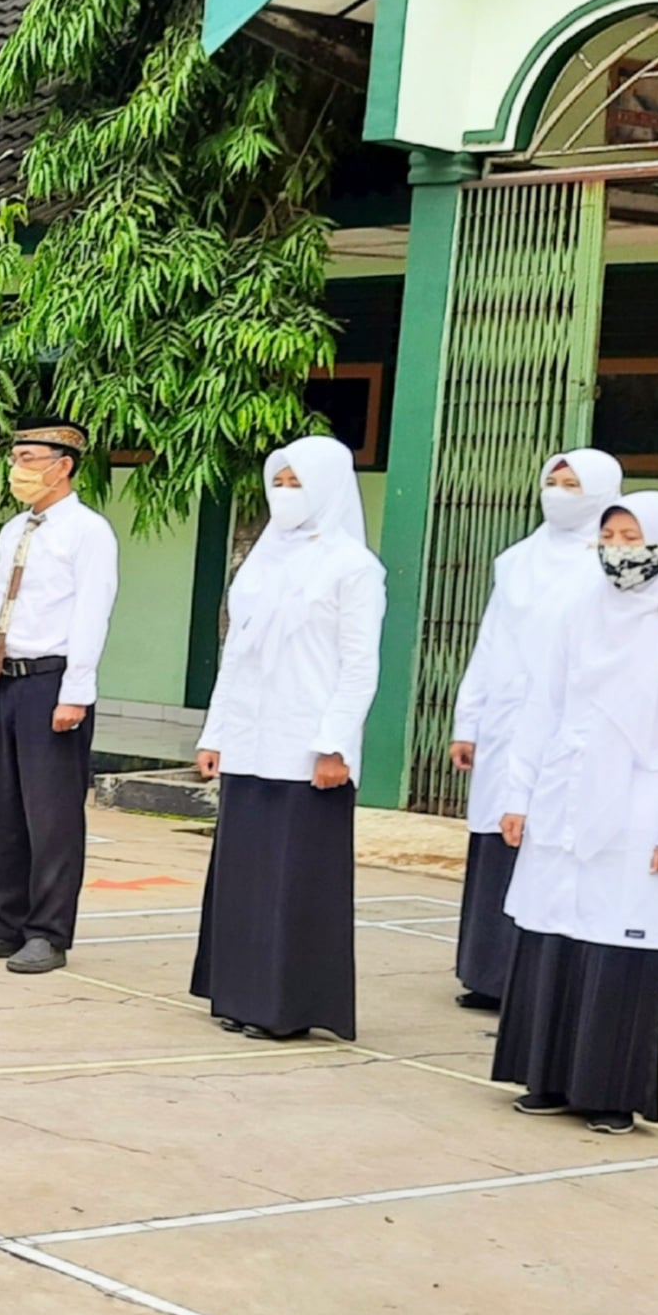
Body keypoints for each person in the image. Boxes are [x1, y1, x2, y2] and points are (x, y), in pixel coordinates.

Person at [491, 490, 658, 1134]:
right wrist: (518, 794)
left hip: (641, 800)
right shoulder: (580, 607)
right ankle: (545, 1076)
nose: (619, 550)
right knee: (556, 928)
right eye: (611, 536)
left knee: (618, 938)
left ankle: (607, 1092)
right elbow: (542, 705)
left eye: (633, 536)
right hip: (564, 789)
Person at [190, 436, 384, 1041]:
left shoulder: (354, 566)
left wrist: (335, 745)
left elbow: (360, 666)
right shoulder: (262, 559)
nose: (284, 494)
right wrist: (214, 733)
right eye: (279, 481)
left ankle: (288, 1007)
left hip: (307, 750)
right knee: (246, 879)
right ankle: (238, 993)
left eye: (298, 483)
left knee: (294, 882)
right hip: (250, 741)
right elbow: (237, 655)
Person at [448, 449, 625, 1011]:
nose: (558, 492)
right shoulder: (516, 560)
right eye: (552, 481)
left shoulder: (610, 563)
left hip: (568, 723)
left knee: (546, 839)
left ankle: (533, 975)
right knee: (496, 836)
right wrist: (467, 721)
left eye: (573, 484)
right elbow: (491, 641)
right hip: (505, 718)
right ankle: (486, 971)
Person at [0, 420, 120, 976]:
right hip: (10, 680)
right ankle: (3, 921)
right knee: (3, 812)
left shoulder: (88, 531)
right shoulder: (15, 529)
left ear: (63, 464)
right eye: (16, 456)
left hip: (54, 682)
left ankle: (48, 932)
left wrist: (76, 692)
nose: (18, 468)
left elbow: (92, 615)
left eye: (29, 457)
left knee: (51, 815)